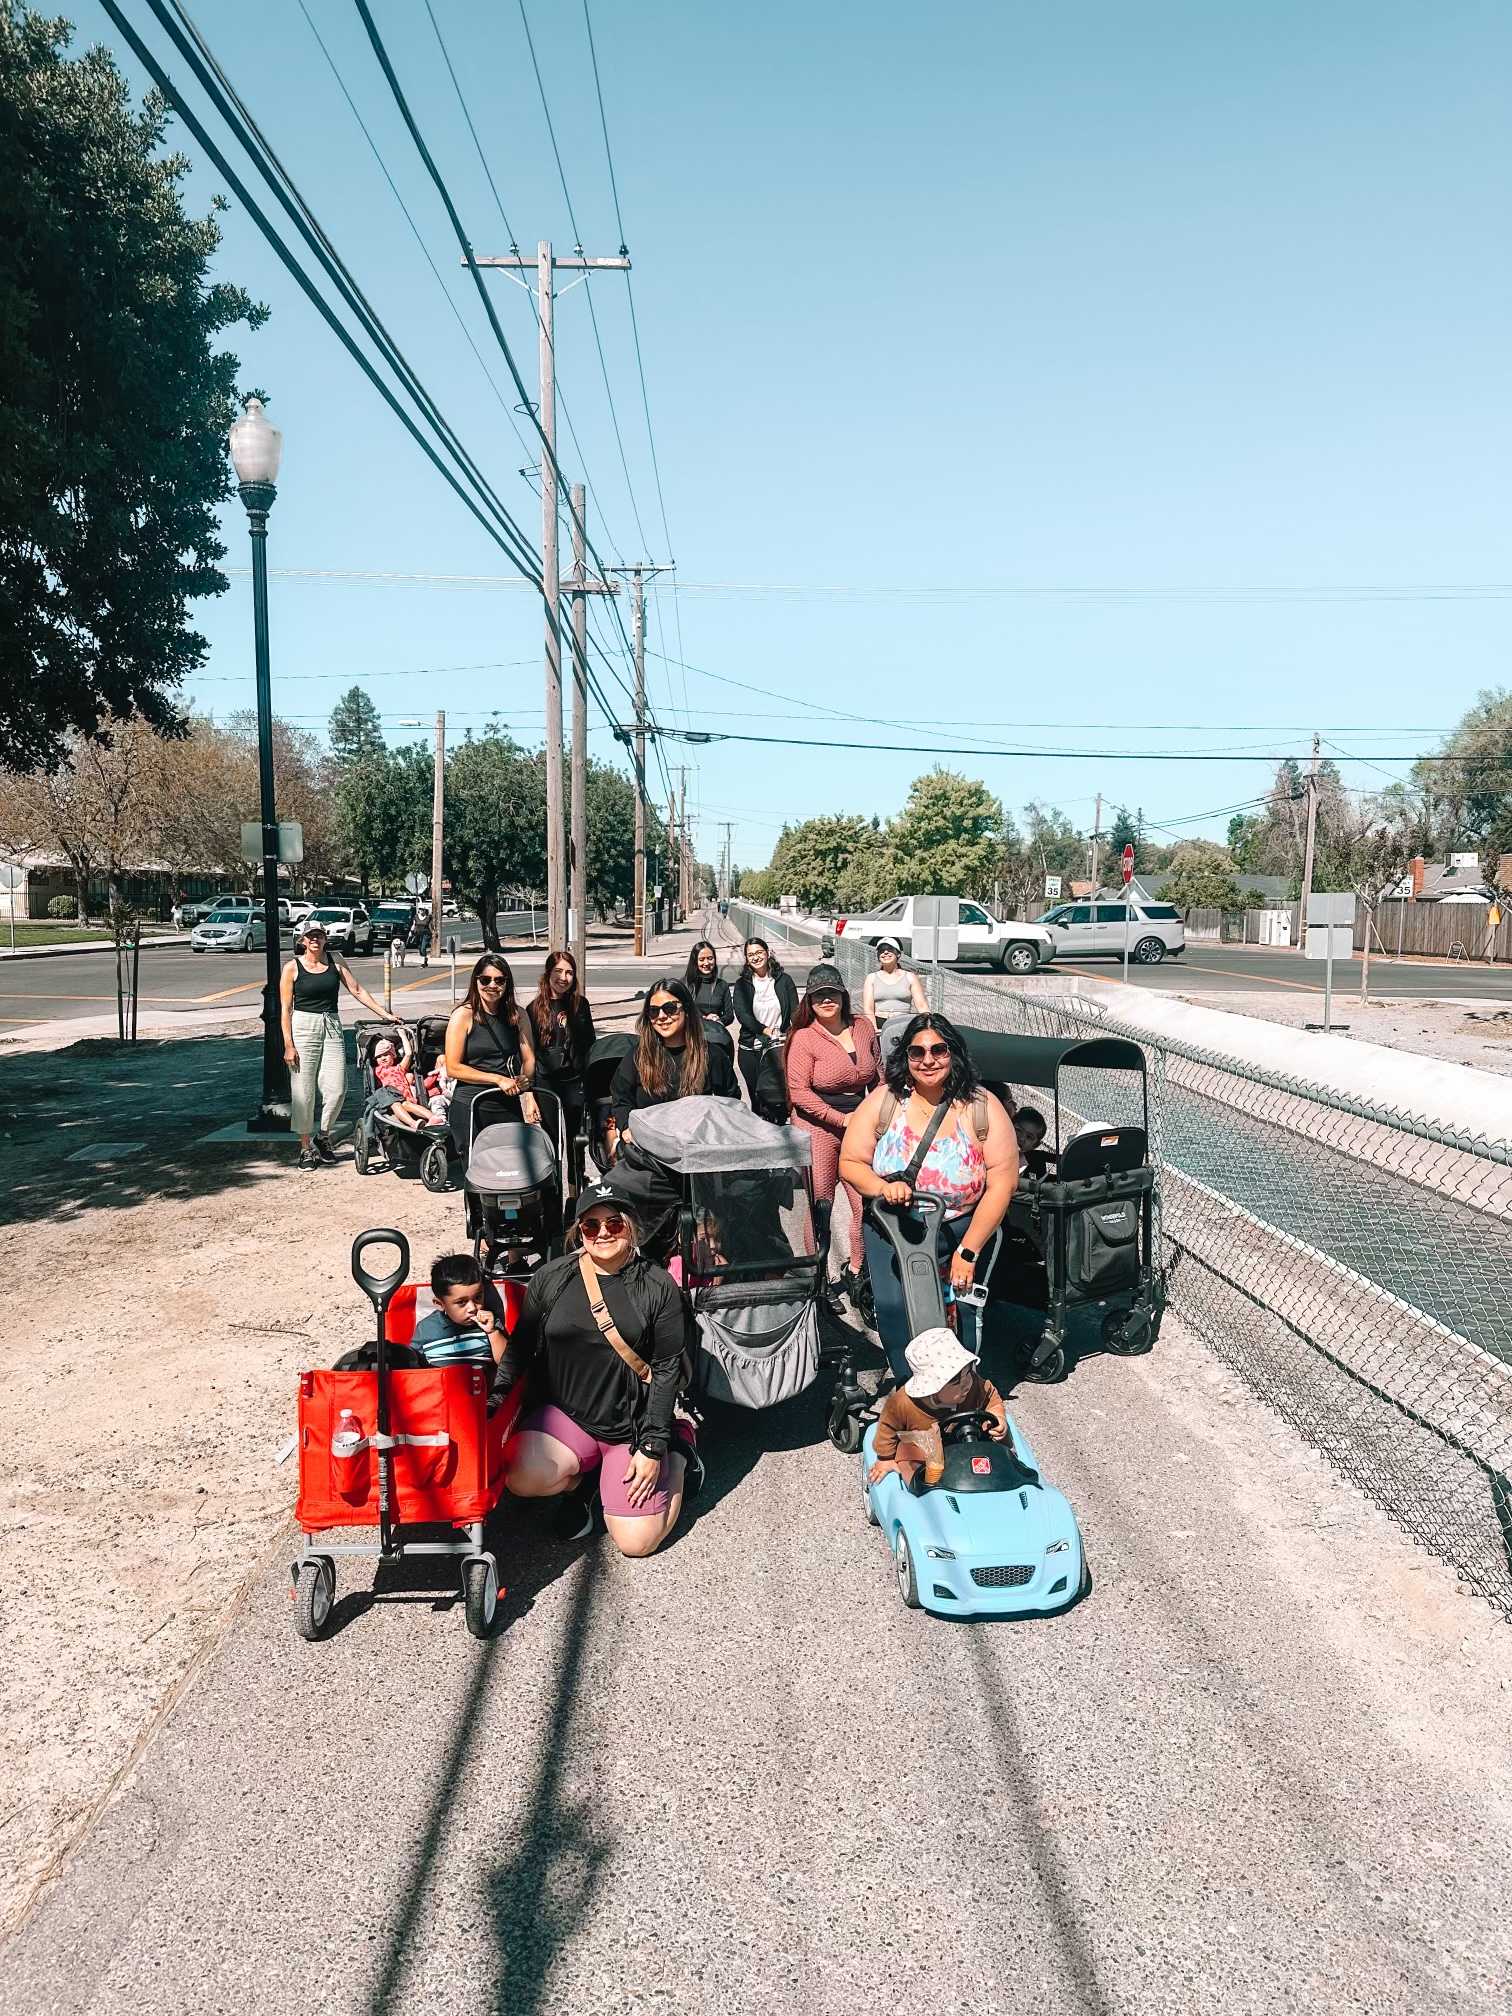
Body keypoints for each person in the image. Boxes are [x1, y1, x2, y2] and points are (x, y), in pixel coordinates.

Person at [492, 1178, 703, 1555]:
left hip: (632, 1427)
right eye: (591, 1225)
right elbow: (521, 1346)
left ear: (631, 1228)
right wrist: (496, 1399)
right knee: (521, 1477)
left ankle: (680, 1451)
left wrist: (654, 1447)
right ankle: (584, 1483)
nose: (603, 1232)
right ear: (579, 1232)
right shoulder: (552, 1277)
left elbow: (668, 1368)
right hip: (568, 1417)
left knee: (636, 1543)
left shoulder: (656, 1286)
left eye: (614, 1223)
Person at [839, 1012, 1018, 1380]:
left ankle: (960, 1386)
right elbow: (851, 1161)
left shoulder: (981, 1106)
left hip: (958, 1228)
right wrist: (882, 1187)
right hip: (894, 1228)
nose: (928, 1060)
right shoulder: (885, 1101)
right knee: (895, 1309)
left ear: (954, 1053)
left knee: (959, 1309)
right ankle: (913, 1386)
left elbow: (1003, 1180)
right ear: (905, 1058)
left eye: (939, 1050)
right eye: (916, 1052)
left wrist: (968, 1251)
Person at [783, 962, 880, 1301]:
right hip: (818, 1126)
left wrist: (880, 1117)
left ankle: (857, 1271)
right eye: (818, 995)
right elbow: (799, 1092)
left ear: (842, 995)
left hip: (859, 1125)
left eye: (832, 993)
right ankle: (819, 1278)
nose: (827, 1000)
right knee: (821, 1204)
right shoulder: (804, 1038)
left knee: (865, 1203)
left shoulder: (864, 1028)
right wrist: (840, 1120)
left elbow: (877, 1078)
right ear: (809, 1002)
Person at [279, 920, 390, 1170]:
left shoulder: (336, 960)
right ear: (302, 941)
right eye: (310, 936)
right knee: (303, 1092)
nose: (315, 940)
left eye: (319, 935)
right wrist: (288, 1044)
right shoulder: (292, 968)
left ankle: (324, 1136)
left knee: (337, 1087)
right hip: (303, 1026)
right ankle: (306, 1148)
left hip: (331, 1024)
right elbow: (285, 1009)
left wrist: (384, 1014)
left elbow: (357, 989)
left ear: (325, 938)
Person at [867, 1328, 1010, 1488]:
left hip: (968, 1443)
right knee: (908, 1454)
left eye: (968, 1372)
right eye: (955, 1382)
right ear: (932, 1386)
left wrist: (998, 1416)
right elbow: (887, 1428)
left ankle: (1011, 1479)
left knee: (1002, 1436)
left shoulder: (974, 1385)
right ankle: (924, 1496)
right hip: (924, 1449)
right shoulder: (903, 1403)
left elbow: (991, 1396)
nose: (966, 1384)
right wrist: (885, 1459)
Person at [609, 979, 739, 1146]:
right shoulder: (638, 1056)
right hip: (649, 1152)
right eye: (654, 1011)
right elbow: (621, 1098)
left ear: (686, 1009)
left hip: (697, 1151)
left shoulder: (712, 1056)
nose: (662, 1017)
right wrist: (626, 1127)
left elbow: (730, 1102)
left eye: (670, 1008)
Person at [443, 956, 541, 1161]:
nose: (492, 985)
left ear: (507, 983)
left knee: (512, 1167)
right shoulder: (463, 1015)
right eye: (485, 980)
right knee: (478, 1174)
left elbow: (529, 1057)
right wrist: (497, 1079)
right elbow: (453, 1067)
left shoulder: (518, 1015)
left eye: (499, 980)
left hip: (506, 1102)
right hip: (471, 1103)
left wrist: (526, 1081)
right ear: (475, 981)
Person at [526, 949, 596, 1179]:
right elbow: (528, 1054)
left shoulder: (580, 1005)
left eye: (569, 973)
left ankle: (576, 1187)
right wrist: (529, 1096)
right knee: (551, 1143)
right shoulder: (533, 1009)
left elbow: (590, 1045)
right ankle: (552, 1191)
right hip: (546, 1082)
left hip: (574, 1081)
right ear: (547, 974)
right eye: (558, 971)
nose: (563, 978)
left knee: (577, 1141)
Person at [733, 937, 798, 1119]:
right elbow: (742, 1014)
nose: (756, 957)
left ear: (767, 953)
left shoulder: (784, 980)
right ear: (746, 959)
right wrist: (763, 1029)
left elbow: (795, 1010)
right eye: (750, 955)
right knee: (758, 1097)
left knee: (781, 1094)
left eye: (759, 952)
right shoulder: (742, 984)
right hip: (751, 1048)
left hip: (778, 1045)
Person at [411, 1253, 510, 1366]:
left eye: (478, 1297)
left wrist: (492, 1332)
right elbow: (412, 1365)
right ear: (440, 1304)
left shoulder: (489, 1323)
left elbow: (508, 1366)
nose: (472, 1308)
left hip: (481, 1382)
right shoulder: (426, 1328)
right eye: (461, 1302)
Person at [862, 937, 929, 1064]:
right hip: (881, 1025)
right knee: (882, 1062)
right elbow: (868, 1008)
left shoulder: (910, 977)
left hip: (903, 1024)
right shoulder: (871, 978)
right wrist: (874, 1028)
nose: (885, 953)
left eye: (889, 949)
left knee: (904, 1061)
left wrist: (927, 1024)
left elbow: (922, 1005)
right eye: (881, 950)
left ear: (898, 953)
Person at [370, 1034, 439, 1131]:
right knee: (396, 1104)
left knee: (407, 1105)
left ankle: (433, 1118)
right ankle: (413, 1123)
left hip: (404, 1096)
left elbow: (408, 1054)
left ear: (393, 1056)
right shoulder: (376, 1070)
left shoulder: (399, 1068)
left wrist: (402, 1034)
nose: (383, 1058)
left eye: (386, 1054)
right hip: (390, 1097)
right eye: (379, 1056)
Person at [684, 939, 734, 1034]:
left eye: (710, 958)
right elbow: (680, 1013)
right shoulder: (685, 984)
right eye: (701, 959)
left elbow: (729, 1016)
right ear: (695, 961)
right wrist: (702, 1019)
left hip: (715, 1035)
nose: (706, 963)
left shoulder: (722, 985)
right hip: (691, 1036)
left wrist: (717, 1019)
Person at [1015, 1105, 1050, 1175]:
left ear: (1035, 1145)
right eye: (1018, 1130)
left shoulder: (1024, 1166)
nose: (1021, 1138)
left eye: (1029, 1137)